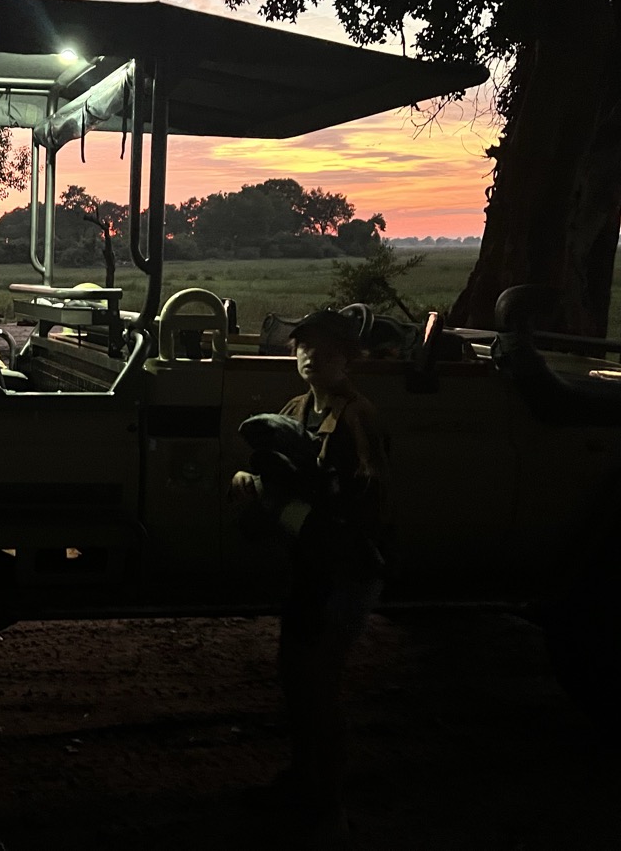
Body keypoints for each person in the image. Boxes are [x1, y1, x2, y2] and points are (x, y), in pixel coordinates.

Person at [228, 309, 390, 849]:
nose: (311, 357)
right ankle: (302, 785)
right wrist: (247, 481)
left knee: (320, 684)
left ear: (349, 357)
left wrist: (301, 510)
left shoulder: (357, 416)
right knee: (296, 676)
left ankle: (331, 809)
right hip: (311, 567)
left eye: (324, 349)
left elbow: (367, 499)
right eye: (303, 347)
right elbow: (269, 468)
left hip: (346, 569)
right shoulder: (295, 410)